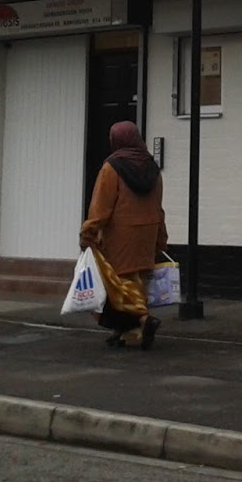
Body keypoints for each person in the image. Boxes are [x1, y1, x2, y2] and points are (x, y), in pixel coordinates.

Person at [79, 120, 167, 350]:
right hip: (147, 233)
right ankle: (124, 332)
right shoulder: (153, 169)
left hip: (120, 235)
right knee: (137, 281)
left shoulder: (112, 167)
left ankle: (143, 320)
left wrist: (87, 234)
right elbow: (159, 208)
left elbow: (101, 207)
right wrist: (161, 238)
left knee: (117, 283)